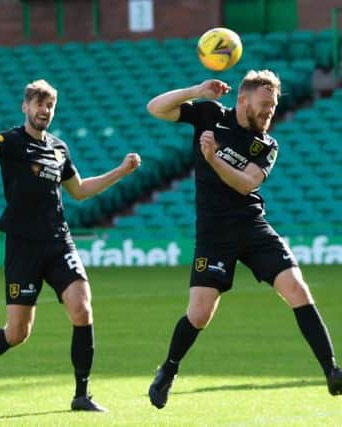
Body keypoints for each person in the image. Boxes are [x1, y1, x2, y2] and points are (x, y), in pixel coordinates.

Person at [0, 79, 141, 412]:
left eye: (50, 106)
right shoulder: (13, 140)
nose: (44, 111)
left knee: (82, 308)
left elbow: (80, 190)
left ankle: (81, 395)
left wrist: (120, 171)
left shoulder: (59, 148)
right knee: (17, 332)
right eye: (39, 104)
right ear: (26, 107)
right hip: (23, 246)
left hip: (58, 241)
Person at [145, 70, 342, 409]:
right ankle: (169, 369)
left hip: (253, 227)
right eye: (264, 105)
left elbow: (245, 184)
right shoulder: (210, 115)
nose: (270, 112)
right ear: (242, 100)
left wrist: (213, 159)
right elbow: (155, 108)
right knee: (200, 313)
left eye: (274, 106)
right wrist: (196, 89)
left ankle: (332, 371)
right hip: (214, 234)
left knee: (297, 289)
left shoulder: (266, 144)